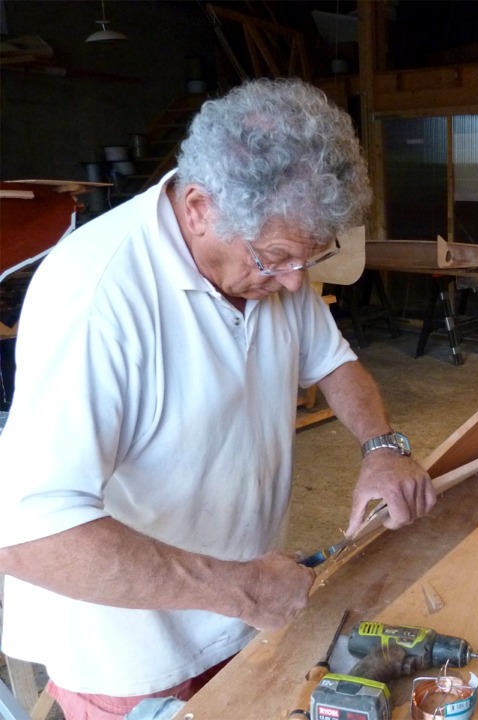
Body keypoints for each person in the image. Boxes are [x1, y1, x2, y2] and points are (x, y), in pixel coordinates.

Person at [0, 78, 436, 720]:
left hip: (246, 612)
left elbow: (334, 361)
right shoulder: (96, 297)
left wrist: (381, 448)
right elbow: (28, 533)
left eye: (309, 258)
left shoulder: (268, 260)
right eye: (279, 257)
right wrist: (237, 588)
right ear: (200, 206)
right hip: (134, 659)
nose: (294, 281)